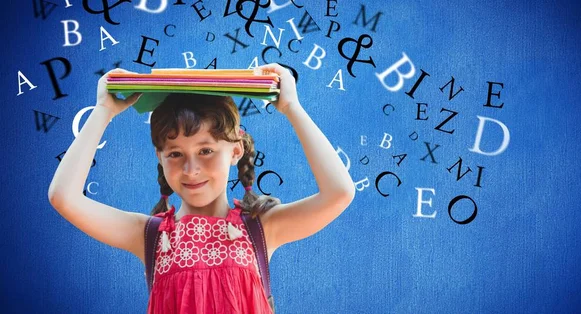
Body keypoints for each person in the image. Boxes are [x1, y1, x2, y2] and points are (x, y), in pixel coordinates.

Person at [47, 63, 356, 313]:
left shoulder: (261, 228)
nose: (191, 169)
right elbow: (64, 197)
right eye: (175, 154)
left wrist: (292, 107)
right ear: (160, 157)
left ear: (235, 151)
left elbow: (339, 192)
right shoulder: (149, 236)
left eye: (206, 150)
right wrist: (103, 111)